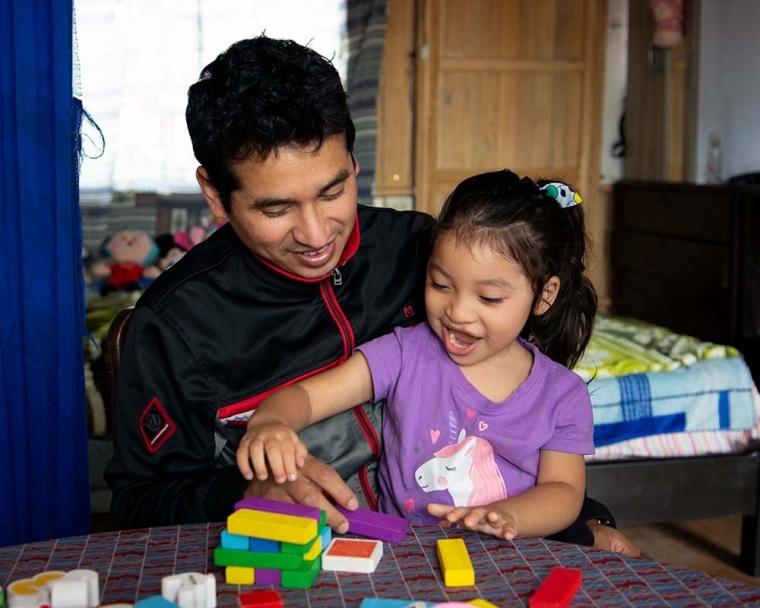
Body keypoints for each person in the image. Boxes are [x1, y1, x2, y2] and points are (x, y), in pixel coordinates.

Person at [104, 35, 639, 555]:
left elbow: (515, 409)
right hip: (300, 558)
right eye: (276, 209)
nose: (316, 235)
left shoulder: (420, 250)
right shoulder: (173, 325)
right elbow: (140, 503)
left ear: (356, 164)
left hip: (459, 539)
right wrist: (246, 493)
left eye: (334, 191)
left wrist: (579, 519)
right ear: (215, 195)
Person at [237, 170, 600, 540]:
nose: (457, 312)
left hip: (509, 559)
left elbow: (565, 492)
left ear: (544, 296)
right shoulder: (405, 353)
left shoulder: (563, 395)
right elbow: (309, 397)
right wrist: (271, 422)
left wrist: (508, 517)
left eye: (489, 298)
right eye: (440, 284)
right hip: (406, 559)